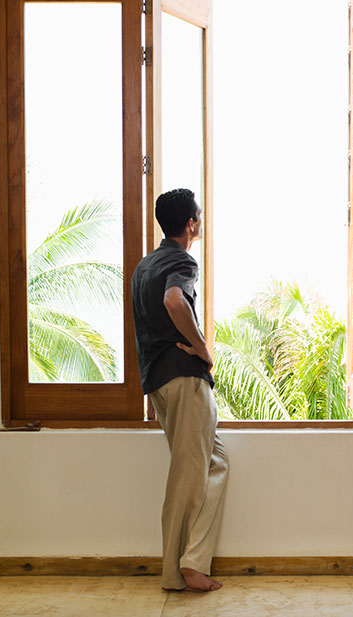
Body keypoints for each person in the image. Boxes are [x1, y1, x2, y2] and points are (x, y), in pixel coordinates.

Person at [131, 188, 229, 592]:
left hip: (158, 384)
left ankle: (191, 559)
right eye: (199, 216)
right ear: (190, 223)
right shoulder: (181, 260)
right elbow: (175, 301)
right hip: (184, 379)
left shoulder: (143, 267)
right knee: (186, 476)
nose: (201, 222)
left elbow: (143, 329)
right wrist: (203, 348)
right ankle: (178, 571)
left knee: (215, 461)